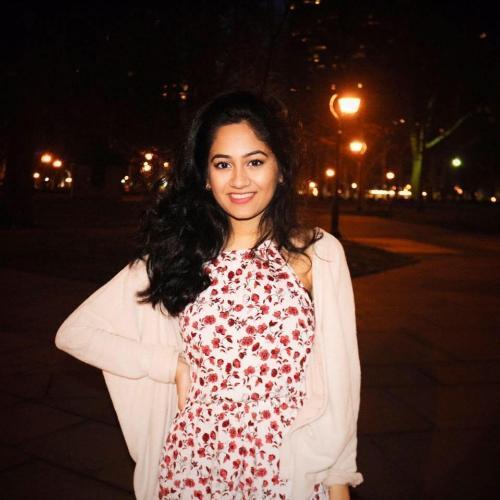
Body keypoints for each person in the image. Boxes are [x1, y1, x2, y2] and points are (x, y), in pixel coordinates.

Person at [55, 90, 363, 500]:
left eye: (255, 161)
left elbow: (342, 382)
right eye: (222, 164)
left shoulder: (316, 254)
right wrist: (169, 365)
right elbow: (75, 333)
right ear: (205, 176)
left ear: (281, 169)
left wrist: (338, 482)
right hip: (194, 469)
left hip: (289, 468)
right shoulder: (177, 257)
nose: (239, 180)